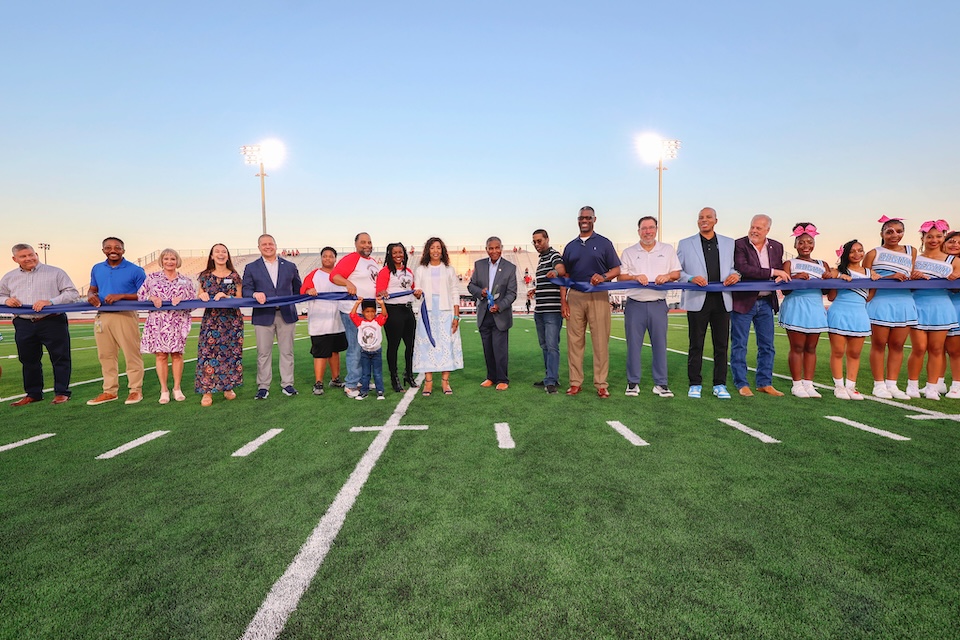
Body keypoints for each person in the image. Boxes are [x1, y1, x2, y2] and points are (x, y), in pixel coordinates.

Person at [0, 243, 79, 405]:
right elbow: (0, 296)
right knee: (28, 359)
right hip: (23, 323)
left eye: (31, 255)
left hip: (51, 320)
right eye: (23, 256)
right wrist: (6, 300)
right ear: (15, 259)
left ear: (36, 254)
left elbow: (72, 293)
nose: (28, 258)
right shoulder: (9, 277)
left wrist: (50, 301)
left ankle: (62, 392)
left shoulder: (55, 272)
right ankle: (33, 393)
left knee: (60, 357)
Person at [676, 207, 740, 399]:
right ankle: (695, 383)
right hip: (697, 300)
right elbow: (677, 271)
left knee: (721, 345)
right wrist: (690, 278)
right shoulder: (685, 244)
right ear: (697, 222)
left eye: (708, 217)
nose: (704, 220)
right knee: (696, 344)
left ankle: (720, 384)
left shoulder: (729, 243)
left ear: (715, 220)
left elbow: (736, 268)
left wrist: (736, 275)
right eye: (701, 218)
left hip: (722, 299)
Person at [561, 206, 621, 398]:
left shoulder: (604, 243)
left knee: (600, 341)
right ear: (577, 220)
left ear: (595, 219)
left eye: (588, 217)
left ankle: (601, 384)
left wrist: (603, 276)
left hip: (598, 295)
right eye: (581, 217)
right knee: (574, 342)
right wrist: (564, 301)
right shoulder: (570, 246)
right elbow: (565, 276)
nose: (584, 220)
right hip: (576, 296)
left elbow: (616, 269)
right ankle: (575, 382)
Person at [618, 216, 681, 398]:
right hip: (635, 304)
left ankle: (661, 383)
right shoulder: (629, 252)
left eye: (651, 228)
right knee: (633, 345)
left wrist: (667, 276)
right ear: (638, 231)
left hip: (658, 304)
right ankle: (632, 382)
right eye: (644, 228)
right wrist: (634, 277)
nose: (648, 231)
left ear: (656, 229)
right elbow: (621, 277)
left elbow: (677, 273)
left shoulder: (667, 249)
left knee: (660, 345)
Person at [731, 214, 790, 397]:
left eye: (758, 228)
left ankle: (764, 382)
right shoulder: (739, 244)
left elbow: (778, 268)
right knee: (739, 344)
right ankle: (741, 383)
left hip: (766, 302)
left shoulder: (777, 246)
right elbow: (744, 268)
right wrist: (774, 272)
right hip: (743, 301)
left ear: (767, 230)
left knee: (767, 345)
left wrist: (779, 275)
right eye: (752, 227)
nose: (754, 231)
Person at [86, 237, 147, 405]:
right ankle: (110, 391)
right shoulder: (97, 268)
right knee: (105, 355)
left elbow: (146, 295)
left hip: (125, 315)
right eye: (108, 247)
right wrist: (91, 296)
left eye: (117, 247)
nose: (113, 250)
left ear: (123, 250)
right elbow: (92, 289)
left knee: (131, 354)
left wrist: (122, 296)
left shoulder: (136, 270)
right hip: (102, 316)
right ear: (103, 250)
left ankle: (135, 390)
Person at [862, 216, 917, 399]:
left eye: (899, 231)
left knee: (898, 345)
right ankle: (878, 385)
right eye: (889, 231)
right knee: (878, 345)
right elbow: (864, 277)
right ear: (882, 233)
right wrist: (888, 277)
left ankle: (892, 384)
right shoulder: (873, 253)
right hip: (881, 302)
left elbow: (912, 273)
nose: (895, 235)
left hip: (904, 303)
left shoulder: (911, 251)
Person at [242, 233, 302, 399]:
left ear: (275, 245)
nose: (268, 246)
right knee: (263, 353)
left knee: (287, 352)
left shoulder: (290, 266)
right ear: (259, 247)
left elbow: (298, 289)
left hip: (286, 314)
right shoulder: (251, 267)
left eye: (270, 243)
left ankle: (288, 384)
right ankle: (263, 386)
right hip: (263, 315)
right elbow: (245, 290)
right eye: (264, 244)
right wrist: (254, 294)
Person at [906, 220, 959, 399]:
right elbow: (905, 283)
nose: (934, 240)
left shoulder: (955, 261)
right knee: (919, 348)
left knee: (937, 349)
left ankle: (932, 387)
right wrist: (912, 277)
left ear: (944, 237)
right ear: (923, 238)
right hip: (918, 305)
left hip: (942, 307)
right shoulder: (914, 259)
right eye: (929, 236)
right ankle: (912, 385)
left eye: (938, 236)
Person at [778, 223, 833, 398]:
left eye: (809, 241)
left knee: (811, 347)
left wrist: (827, 279)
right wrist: (794, 279)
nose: (805, 246)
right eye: (801, 242)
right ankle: (796, 384)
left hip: (815, 307)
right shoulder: (789, 263)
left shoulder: (822, 263)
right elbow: (785, 290)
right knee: (797, 346)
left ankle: (809, 384)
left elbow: (827, 291)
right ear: (795, 244)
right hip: (796, 306)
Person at [138, 249, 197, 404]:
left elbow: (193, 302)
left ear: (177, 261)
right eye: (166, 259)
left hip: (178, 322)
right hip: (159, 322)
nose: (170, 261)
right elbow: (140, 296)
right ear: (161, 261)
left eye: (172, 258)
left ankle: (177, 388)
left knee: (177, 354)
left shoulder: (186, 280)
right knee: (161, 355)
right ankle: (163, 389)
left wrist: (183, 299)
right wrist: (152, 297)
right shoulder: (152, 278)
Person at [827, 240, 878, 400]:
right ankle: (839, 387)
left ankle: (851, 386)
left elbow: (868, 298)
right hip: (839, 312)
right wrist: (838, 279)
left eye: (860, 250)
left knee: (855, 353)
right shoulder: (838, 271)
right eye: (852, 251)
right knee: (838, 351)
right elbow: (831, 296)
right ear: (845, 254)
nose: (857, 254)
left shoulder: (870, 273)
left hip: (859, 314)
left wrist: (875, 282)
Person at [412, 237, 463, 396]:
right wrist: (418, 293)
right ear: (428, 250)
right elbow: (417, 293)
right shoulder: (420, 269)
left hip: (446, 312)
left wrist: (456, 317)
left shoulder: (449, 270)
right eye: (432, 248)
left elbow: (455, 292)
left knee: (446, 345)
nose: (435, 251)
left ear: (442, 251)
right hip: (426, 314)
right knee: (426, 346)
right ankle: (428, 383)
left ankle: (445, 382)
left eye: (438, 248)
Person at [330, 232, 379, 398]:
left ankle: (361, 380)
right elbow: (334, 276)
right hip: (353, 310)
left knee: (367, 346)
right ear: (356, 244)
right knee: (356, 347)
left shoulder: (372, 261)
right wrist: (347, 282)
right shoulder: (352, 258)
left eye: (369, 242)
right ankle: (351, 384)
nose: (367, 245)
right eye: (363, 242)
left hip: (368, 311)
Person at [195, 243, 244, 406]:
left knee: (231, 355)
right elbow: (199, 295)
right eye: (217, 251)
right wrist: (202, 296)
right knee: (208, 355)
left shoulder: (235, 276)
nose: (221, 254)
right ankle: (207, 392)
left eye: (224, 251)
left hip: (232, 321)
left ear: (228, 256)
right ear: (211, 256)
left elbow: (240, 299)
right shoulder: (204, 276)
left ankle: (228, 387)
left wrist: (227, 297)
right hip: (212, 321)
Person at [467, 237, 517, 390]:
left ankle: (503, 379)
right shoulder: (479, 265)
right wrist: (480, 292)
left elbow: (512, 293)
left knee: (500, 349)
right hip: (484, 314)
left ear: (501, 248)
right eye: (491, 248)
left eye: (497, 248)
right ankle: (491, 377)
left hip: (500, 314)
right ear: (486, 249)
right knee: (487, 348)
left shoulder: (510, 268)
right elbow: (471, 286)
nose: (494, 251)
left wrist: (499, 305)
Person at [301, 247, 349, 396]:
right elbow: (303, 290)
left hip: (337, 321)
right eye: (325, 256)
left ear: (335, 259)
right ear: (321, 258)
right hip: (320, 322)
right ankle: (319, 382)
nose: (328, 259)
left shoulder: (341, 276)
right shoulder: (314, 275)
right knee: (321, 353)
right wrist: (309, 290)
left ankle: (335, 379)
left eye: (331, 256)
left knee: (335, 351)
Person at [376, 242, 418, 392]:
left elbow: (412, 290)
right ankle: (394, 378)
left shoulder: (409, 272)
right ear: (389, 255)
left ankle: (409, 373)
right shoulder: (385, 271)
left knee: (411, 345)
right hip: (393, 311)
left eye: (400, 252)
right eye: (394, 253)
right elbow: (379, 291)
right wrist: (382, 293)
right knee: (393, 347)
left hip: (408, 310)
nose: (398, 255)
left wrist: (417, 292)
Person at [529, 229, 566, 394]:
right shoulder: (541, 259)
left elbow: (561, 270)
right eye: (534, 242)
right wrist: (535, 290)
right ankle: (550, 377)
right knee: (544, 345)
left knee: (552, 346)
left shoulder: (553, 255)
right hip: (540, 309)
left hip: (552, 310)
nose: (537, 244)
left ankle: (551, 380)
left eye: (539, 241)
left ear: (547, 239)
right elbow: (547, 282)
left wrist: (556, 272)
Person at [349, 297, 388, 400]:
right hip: (365, 352)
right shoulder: (361, 322)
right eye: (367, 312)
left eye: (372, 311)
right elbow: (352, 315)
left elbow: (384, 314)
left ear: (375, 312)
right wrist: (357, 303)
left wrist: (382, 304)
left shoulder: (378, 322)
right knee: (365, 373)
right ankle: (363, 391)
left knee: (377, 373)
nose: (370, 314)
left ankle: (380, 391)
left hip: (376, 352)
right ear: (363, 312)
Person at [941, 231, 960, 398]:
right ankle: (937, 382)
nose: (955, 245)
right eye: (952, 241)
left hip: (957, 306)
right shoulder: (936, 260)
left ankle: (957, 385)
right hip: (939, 307)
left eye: (959, 243)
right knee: (937, 348)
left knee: (955, 350)